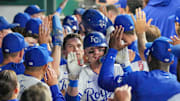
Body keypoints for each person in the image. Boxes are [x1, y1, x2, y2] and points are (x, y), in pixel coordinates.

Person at [98, 24, 180, 101]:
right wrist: (126, 66)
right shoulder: (177, 84)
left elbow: (105, 81)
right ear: (172, 61)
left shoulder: (138, 78)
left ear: (149, 58)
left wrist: (112, 51)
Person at [65, 31, 125, 101]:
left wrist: (125, 65)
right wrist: (74, 78)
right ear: (85, 54)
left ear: (106, 51)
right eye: (91, 51)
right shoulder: (81, 73)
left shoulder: (117, 69)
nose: (96, 53)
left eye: (100, 49)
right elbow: (72, 100)